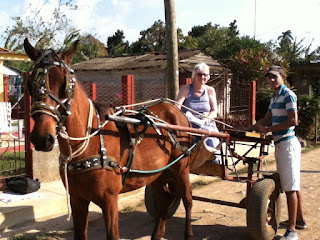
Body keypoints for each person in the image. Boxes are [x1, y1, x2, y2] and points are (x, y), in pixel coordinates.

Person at [247, 65, 306, 240]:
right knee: (292, 183)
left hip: (288, 144)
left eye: (275, 77)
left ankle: (292, 231)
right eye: (269, 77)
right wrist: (251, 128)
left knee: (290, 188)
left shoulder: (288, 95)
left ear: (282, 77)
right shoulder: (274, 98)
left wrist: (269, 129)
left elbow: (293, 120)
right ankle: (300, 220)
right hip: (280, 144)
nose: (272, 80)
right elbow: (266, 120)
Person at [175, 62, 221, 162]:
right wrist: (187, 118)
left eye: (205, 74)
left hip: (207, 124)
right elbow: (176, 107)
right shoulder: (186, 89)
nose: (203, 77)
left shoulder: (210, 90)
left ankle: (214, 160)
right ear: (194, 76)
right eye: (200, 74)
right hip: (189, 124)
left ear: (208, 77)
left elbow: (214, 111)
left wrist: (206, 119)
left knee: (212, 141)